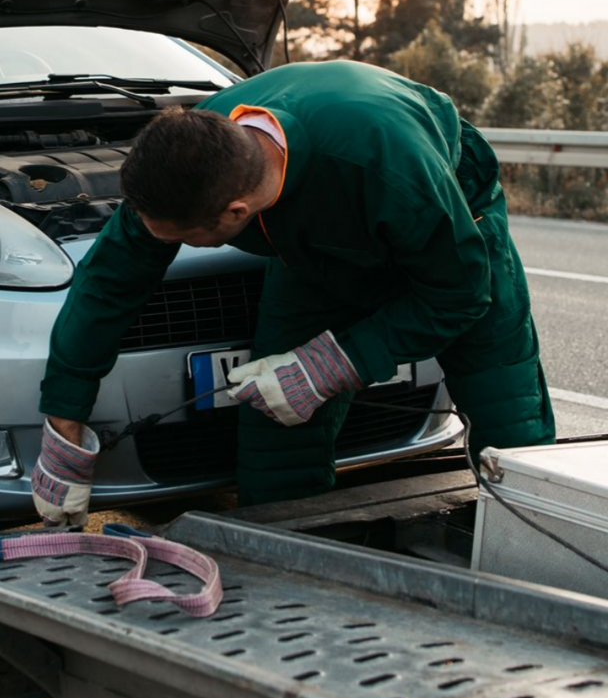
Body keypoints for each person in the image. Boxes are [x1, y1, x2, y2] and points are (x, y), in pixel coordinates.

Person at [32, 60, 555, 526]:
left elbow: (460, 293)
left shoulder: (390, 168)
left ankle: (541, 558)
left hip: (452, 233)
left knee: (508, 414)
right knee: (277, 429)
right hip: (315, 252)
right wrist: (63, 426)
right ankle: (286, 566)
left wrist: (329, 366)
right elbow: (108, 282)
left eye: (179, 240)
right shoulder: (191, 155)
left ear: (235, 215)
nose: (160, 244)